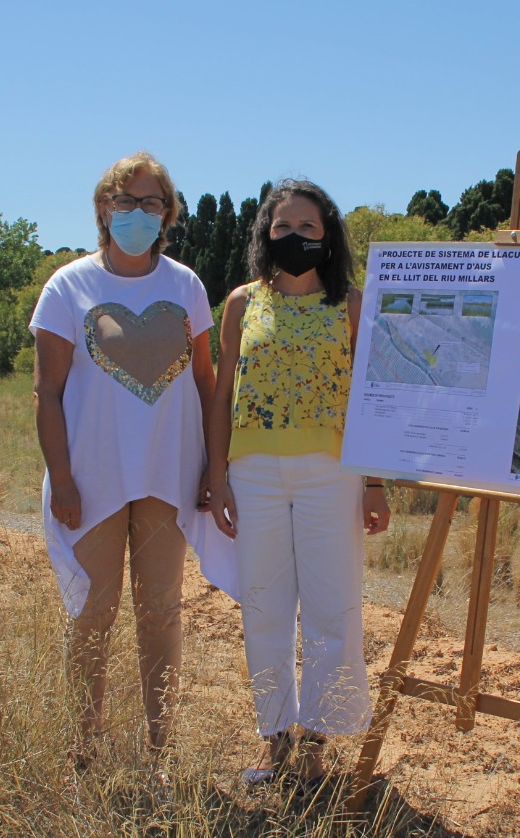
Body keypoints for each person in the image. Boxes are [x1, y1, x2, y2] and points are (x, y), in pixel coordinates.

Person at [31, 151, 235, 768]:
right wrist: (62, 478)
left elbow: (207, 383)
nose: (138, 213)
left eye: (151, 203)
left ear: (167, 213)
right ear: (103, 209)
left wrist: (211, 467)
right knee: (91, 616)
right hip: (90, 482)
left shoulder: (186, 286)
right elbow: (47, 393)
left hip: (166, 479)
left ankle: (159, 750)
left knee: (161, 612)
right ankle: (83, 753)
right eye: (126, 202)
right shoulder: (68, 287)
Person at [206, 180, 390, 786]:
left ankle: (316, 738)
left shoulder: (354, 304)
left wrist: (374, 481)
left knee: (331, 607)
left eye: (307, 228)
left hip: (332, 475)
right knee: (263, 607)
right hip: (252, 473)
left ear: (328, 235)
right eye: (282, 228)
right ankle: (274, 737)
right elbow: (221, 392)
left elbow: (373, 398)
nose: (294, 238)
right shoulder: (240, 304)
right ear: (265, 235)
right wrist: (216, 474)